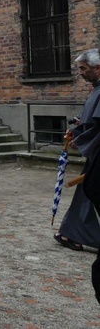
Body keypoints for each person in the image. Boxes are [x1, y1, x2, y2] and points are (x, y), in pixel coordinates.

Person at [67, 49, 100, 303]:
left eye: (83, 69)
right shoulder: (96, 89)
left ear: (97, 67)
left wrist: (81, 139)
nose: (80, 74)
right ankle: (76, 232)